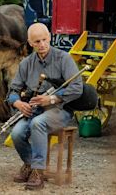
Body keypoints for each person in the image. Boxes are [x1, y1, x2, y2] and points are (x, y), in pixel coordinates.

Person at [7, 22, 83, 190]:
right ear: (30, 43)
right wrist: (18, 103)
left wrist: (52, 99)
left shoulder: (64, 59)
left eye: (44, 40)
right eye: (36, 42)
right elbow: (12, 91)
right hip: (34, 110)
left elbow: (77, 88)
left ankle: (38, 173)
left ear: (49, 37)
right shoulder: (26, 63)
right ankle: (30, 164)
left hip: (59, 110)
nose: (41, 45)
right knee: (17, 133)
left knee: (38, 123)